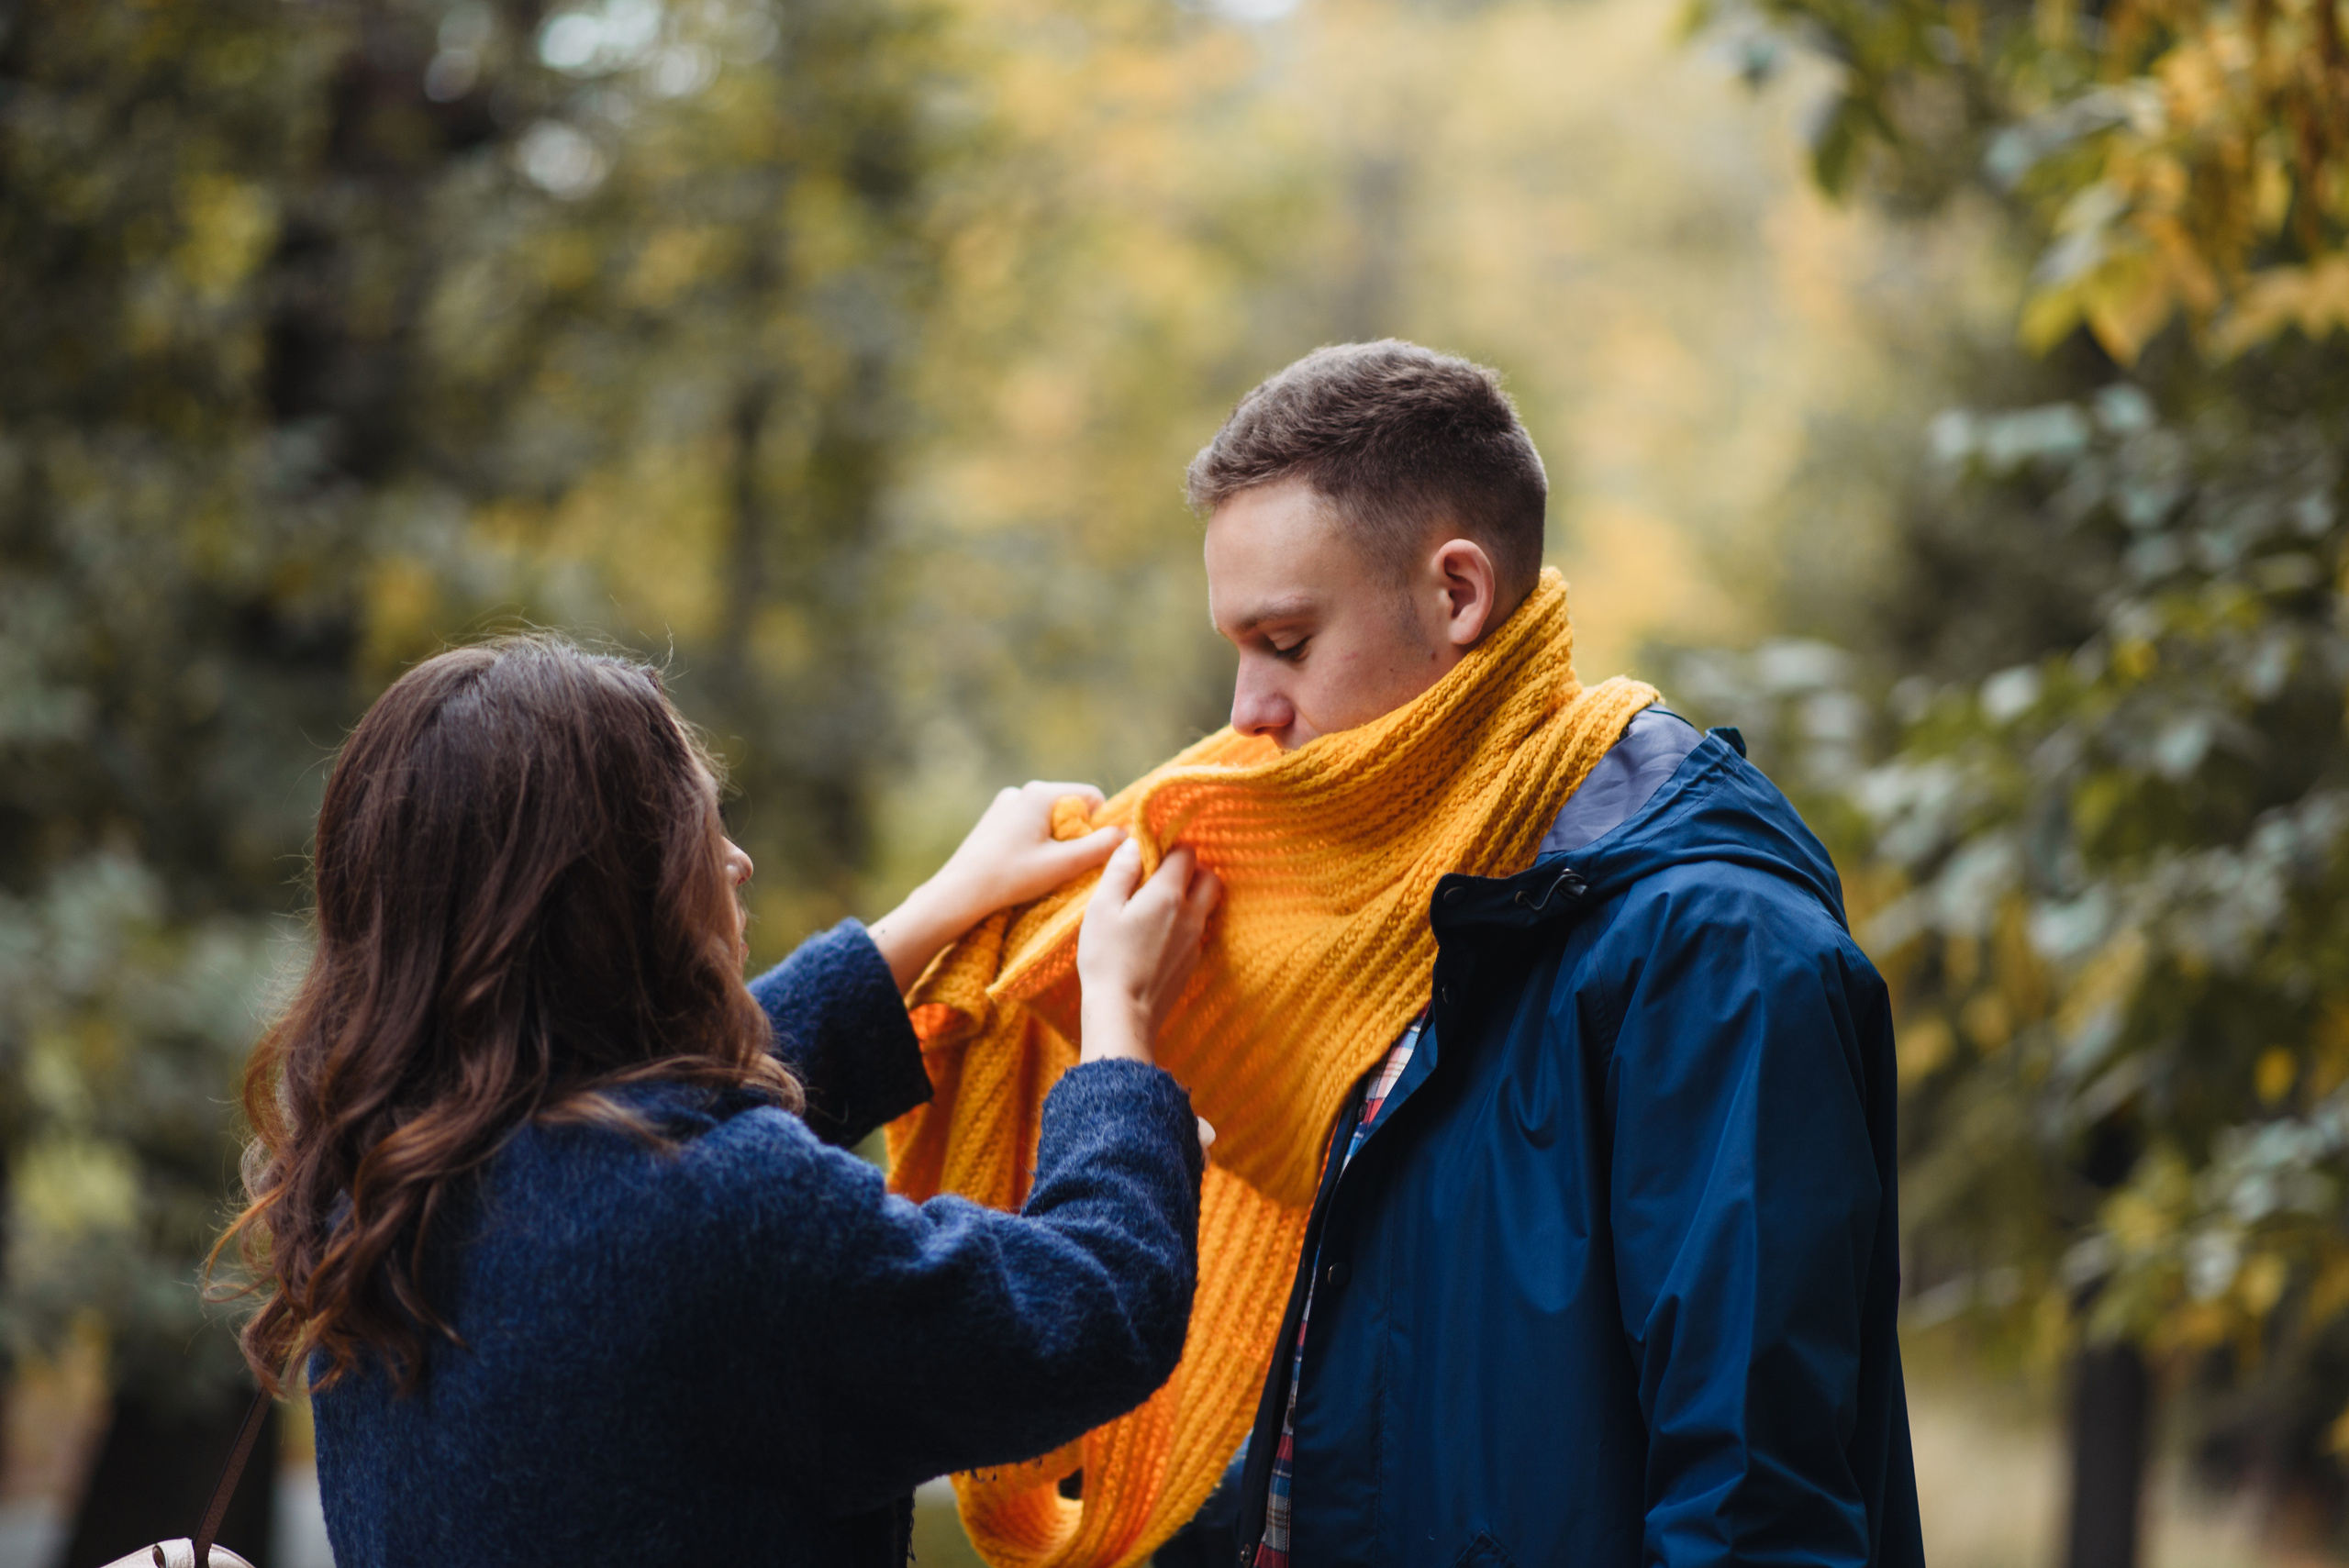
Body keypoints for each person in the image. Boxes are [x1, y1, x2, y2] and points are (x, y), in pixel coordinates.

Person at [1157, 340, 1926, 1568]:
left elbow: (1754, 1509)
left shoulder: (1714, 952)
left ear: (1457, 595)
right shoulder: (1374, 935)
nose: (1246, 709)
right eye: (1236, 650)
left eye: (1287, 642)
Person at [216, 634, 1222, 1567]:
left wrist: (933, 912)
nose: (735, 862)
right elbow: (1088, 1313)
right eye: (700, 828)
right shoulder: (716, 1211)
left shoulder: (381, 1177)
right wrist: (1118, 1025)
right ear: (613, 903)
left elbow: (639, 1137)